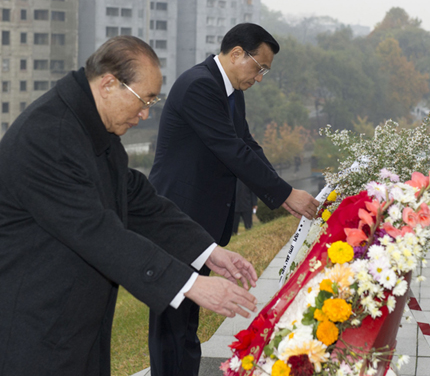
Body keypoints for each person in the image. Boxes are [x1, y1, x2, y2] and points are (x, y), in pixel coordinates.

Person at [0, 36, 259, 376]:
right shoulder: (51, 137)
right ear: (108, 83)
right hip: (36, 330)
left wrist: (207, 251)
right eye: (143, 100)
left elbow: (133, 195)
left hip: (74, 326)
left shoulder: (91, 124)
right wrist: (191, 284)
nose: (144, 114)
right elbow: (96, 231)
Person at [148, 23, 319, 376]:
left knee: (186, 320)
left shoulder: (227, 90)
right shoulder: (200, 86)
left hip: (199, 220)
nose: (260, 78)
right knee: (172, 322)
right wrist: (285, 193)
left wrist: (282, 194)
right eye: (260, 67)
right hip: (178, 217)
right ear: (237, 53)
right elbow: (231, 150)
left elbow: (248, 146)